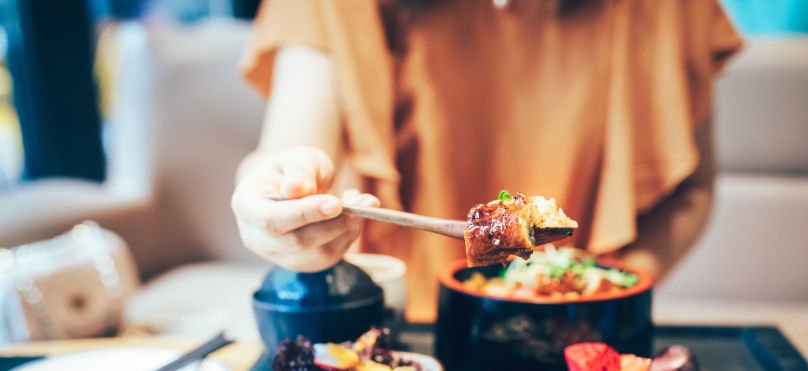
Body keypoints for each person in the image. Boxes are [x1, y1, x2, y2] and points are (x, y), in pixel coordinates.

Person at [232, 0, 742, 321]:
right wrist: (275, 201)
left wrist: (601, 288)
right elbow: (286, 153)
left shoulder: (672, 9)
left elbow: (690, 193)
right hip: (400, 330)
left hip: (589, 331)